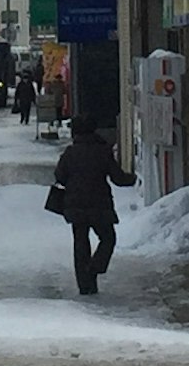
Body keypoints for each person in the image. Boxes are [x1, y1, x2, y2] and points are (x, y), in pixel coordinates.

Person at [45, 115, 133, 297]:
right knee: (108, 238)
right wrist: (132, 179)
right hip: (99, 203)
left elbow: (60, 176)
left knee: (80, 242)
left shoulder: (70, 153)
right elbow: (117, 178)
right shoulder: (103, 151)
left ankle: (85, 285)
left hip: (75, 204)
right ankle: (95, 266)